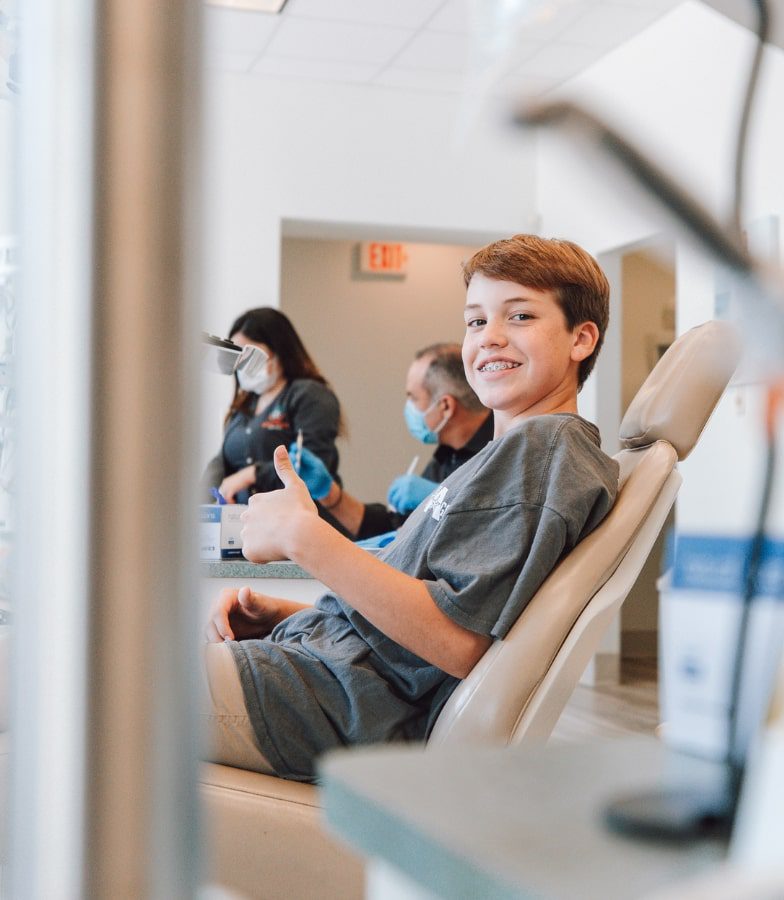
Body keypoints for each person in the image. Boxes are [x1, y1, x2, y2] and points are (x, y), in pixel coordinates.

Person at [202, 234, 620, 782]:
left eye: (519, 316)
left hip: (332, 704)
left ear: (580, 339)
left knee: (89, 685)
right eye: (475, 321)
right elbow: (417, 625)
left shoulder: (543, 451)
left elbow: (457, 643)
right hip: (317, 675)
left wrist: (304, 537)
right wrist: (289, 613)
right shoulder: (503, 458)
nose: (490, 337)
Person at [289, 343, 493, 541]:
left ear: (446, 406)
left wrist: (441, 498)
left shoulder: (500, 451)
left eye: (413, 397)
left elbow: (493, 532)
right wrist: (329, 493)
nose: (408, 407)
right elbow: (396, 529)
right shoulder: (447, 456)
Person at [201, 307, 343, 507]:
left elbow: (309, 465)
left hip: (300, 521)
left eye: (250, 354)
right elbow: (222, 462)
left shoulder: (309, 396)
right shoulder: (245, 405)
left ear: (279, 351)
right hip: (248, 525)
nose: (243, 365)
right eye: (238, 358)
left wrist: (251, 475)